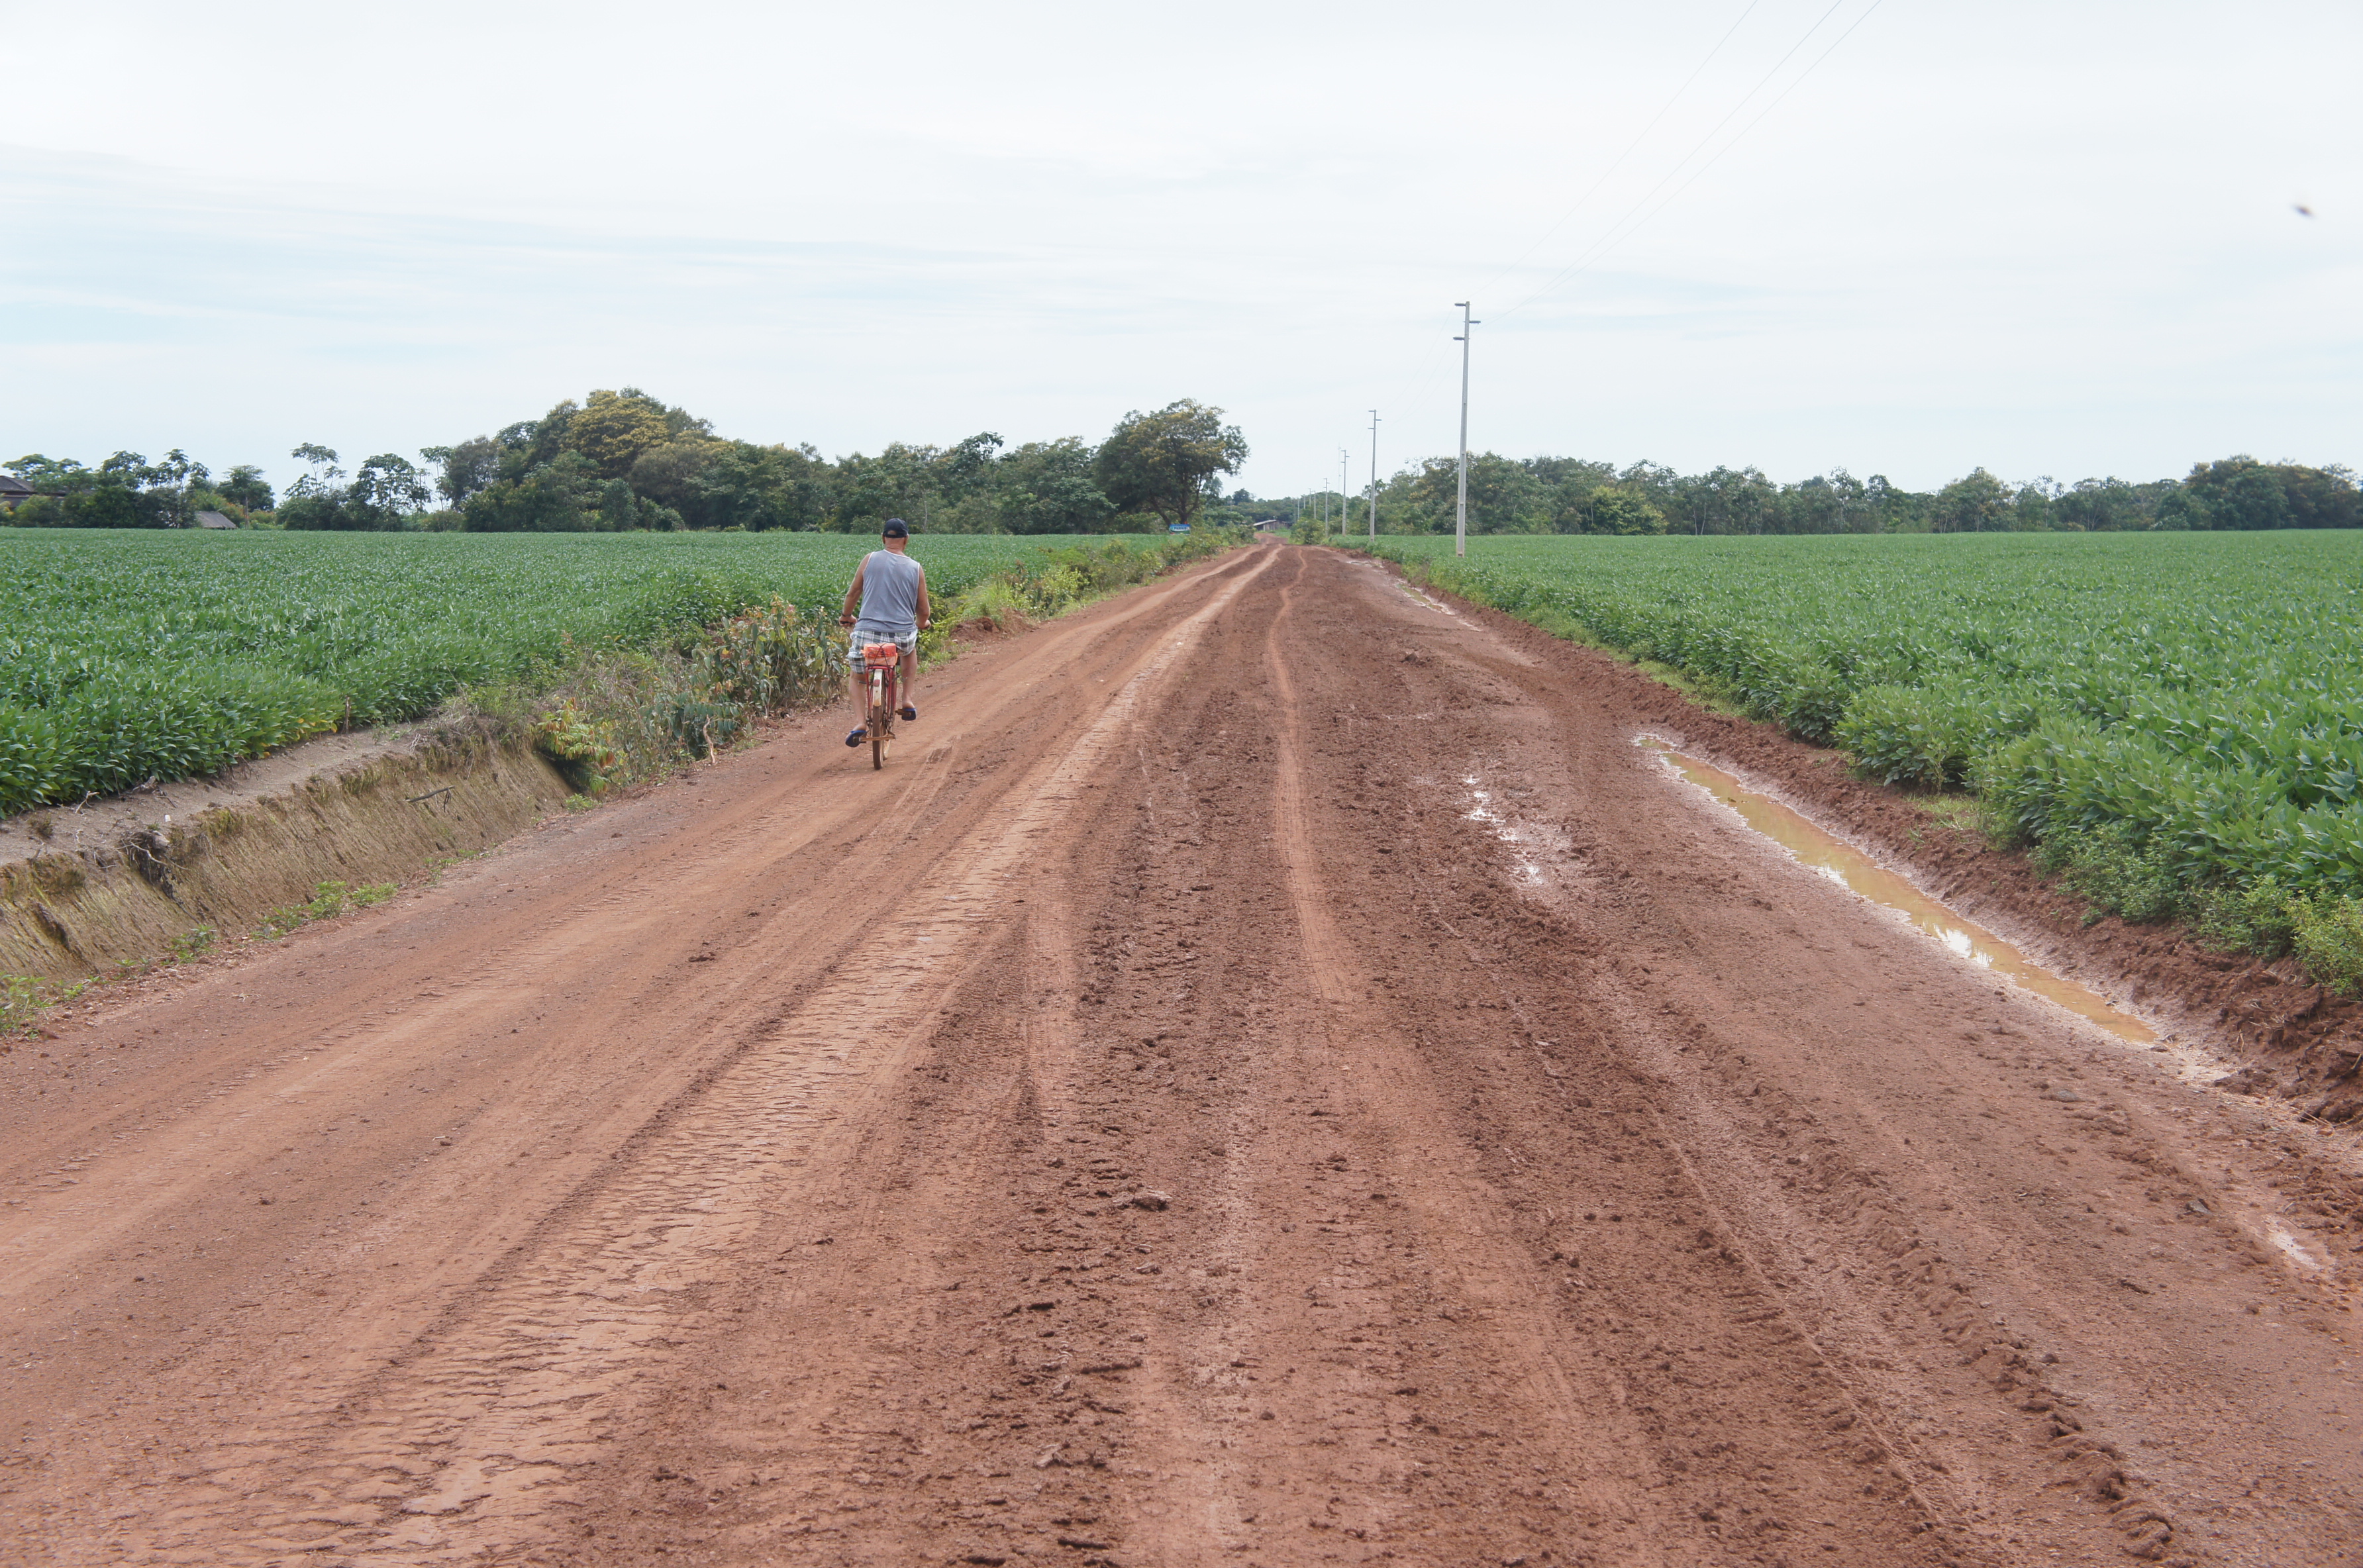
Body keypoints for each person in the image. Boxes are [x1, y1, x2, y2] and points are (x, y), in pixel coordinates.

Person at [838, 518, 931, 748]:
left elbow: (853, 593)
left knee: (857, 676)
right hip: (901, 635)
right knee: (909, 651)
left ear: (883, 538)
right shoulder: (915, 568)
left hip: (867, 634)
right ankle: (907, 699)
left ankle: (860, 723)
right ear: (906, 540)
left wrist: (847, 616)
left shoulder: (870, 559)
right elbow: (923, 608)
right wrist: (922, 623)